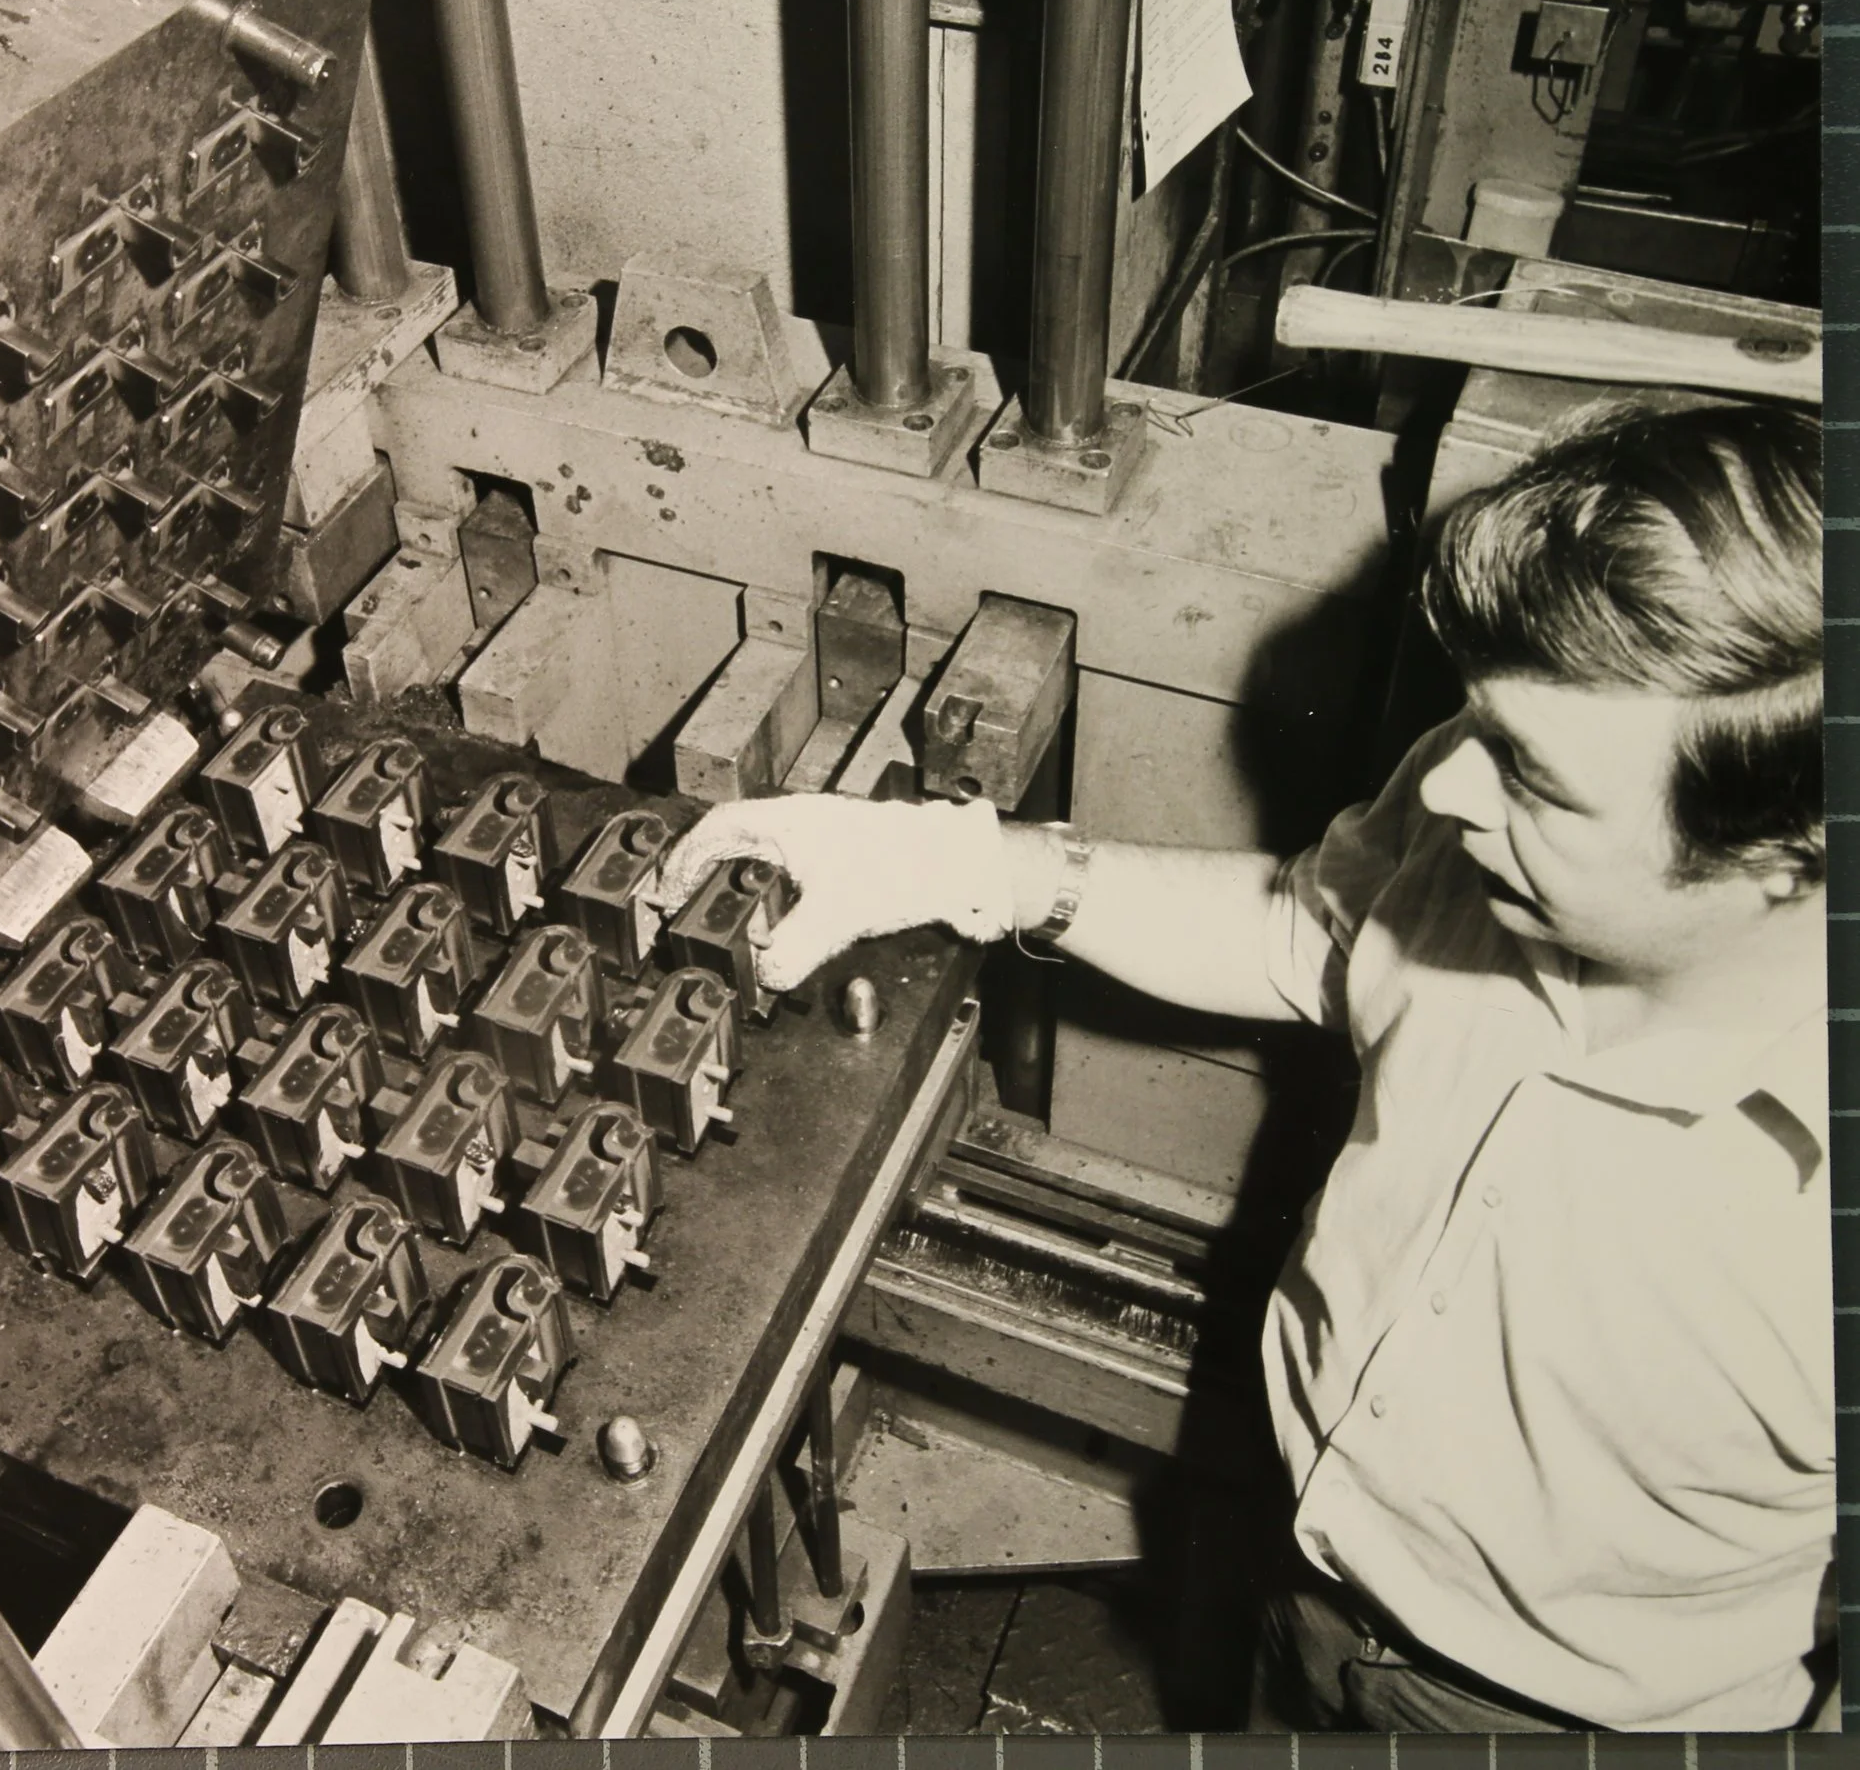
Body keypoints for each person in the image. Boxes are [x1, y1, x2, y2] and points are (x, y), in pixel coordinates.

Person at [652, 404, 1830, 1732]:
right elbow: (1304, 928)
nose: (1449, 792)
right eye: (1478, 731)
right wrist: (963, 864)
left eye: (1534, 781)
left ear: (1782, 857)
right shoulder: (1483, 812)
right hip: (1296, 1568)